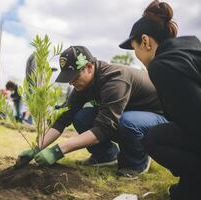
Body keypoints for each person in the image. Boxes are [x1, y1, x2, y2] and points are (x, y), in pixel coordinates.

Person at [18, 46, 168, 178]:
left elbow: (104, 128)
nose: (71, 82)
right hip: (128, 114)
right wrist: (36, 147)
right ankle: (106, 155)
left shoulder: (115, 80)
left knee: (126, 121)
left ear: (89, 67)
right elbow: (62, 119)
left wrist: (58, 151)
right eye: (69, 78)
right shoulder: (82, 85)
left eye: (74, 77)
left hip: (157, 118)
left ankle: (136, 162)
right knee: (81, 117)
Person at [119, 0, 201, 198]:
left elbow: (195, 123)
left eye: (135, 48)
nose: (136, 55)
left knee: (155, 139)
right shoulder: (188, 50)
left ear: (146, 41)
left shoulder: (162, 66)